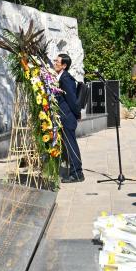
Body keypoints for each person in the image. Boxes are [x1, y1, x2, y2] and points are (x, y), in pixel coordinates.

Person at [53, 53, 84, 183]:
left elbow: (72, 99)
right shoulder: (61, 77)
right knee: (68, 145)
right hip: (64, 117)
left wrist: (77, 114)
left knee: (71, 145)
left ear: (64, 65)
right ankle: (73, 171)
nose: (55, 63)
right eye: (55, 60)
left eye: (57, 61)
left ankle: (77, 173)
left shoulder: (66, 79)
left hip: (68, 117)